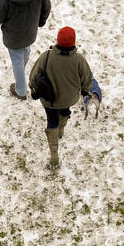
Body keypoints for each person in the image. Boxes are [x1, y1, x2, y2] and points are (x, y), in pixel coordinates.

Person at [28, 26, 92, 170]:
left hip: (50, 100)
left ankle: (54, 155)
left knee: (52, 122)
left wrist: (33, 88)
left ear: (58, 40)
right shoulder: (79, 59)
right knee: (64, 111)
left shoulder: (47, 56)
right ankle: (61, 129)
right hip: (69, 98)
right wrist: (85, 90)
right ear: (73, 42)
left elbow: (34, 76)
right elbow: (87, 79)